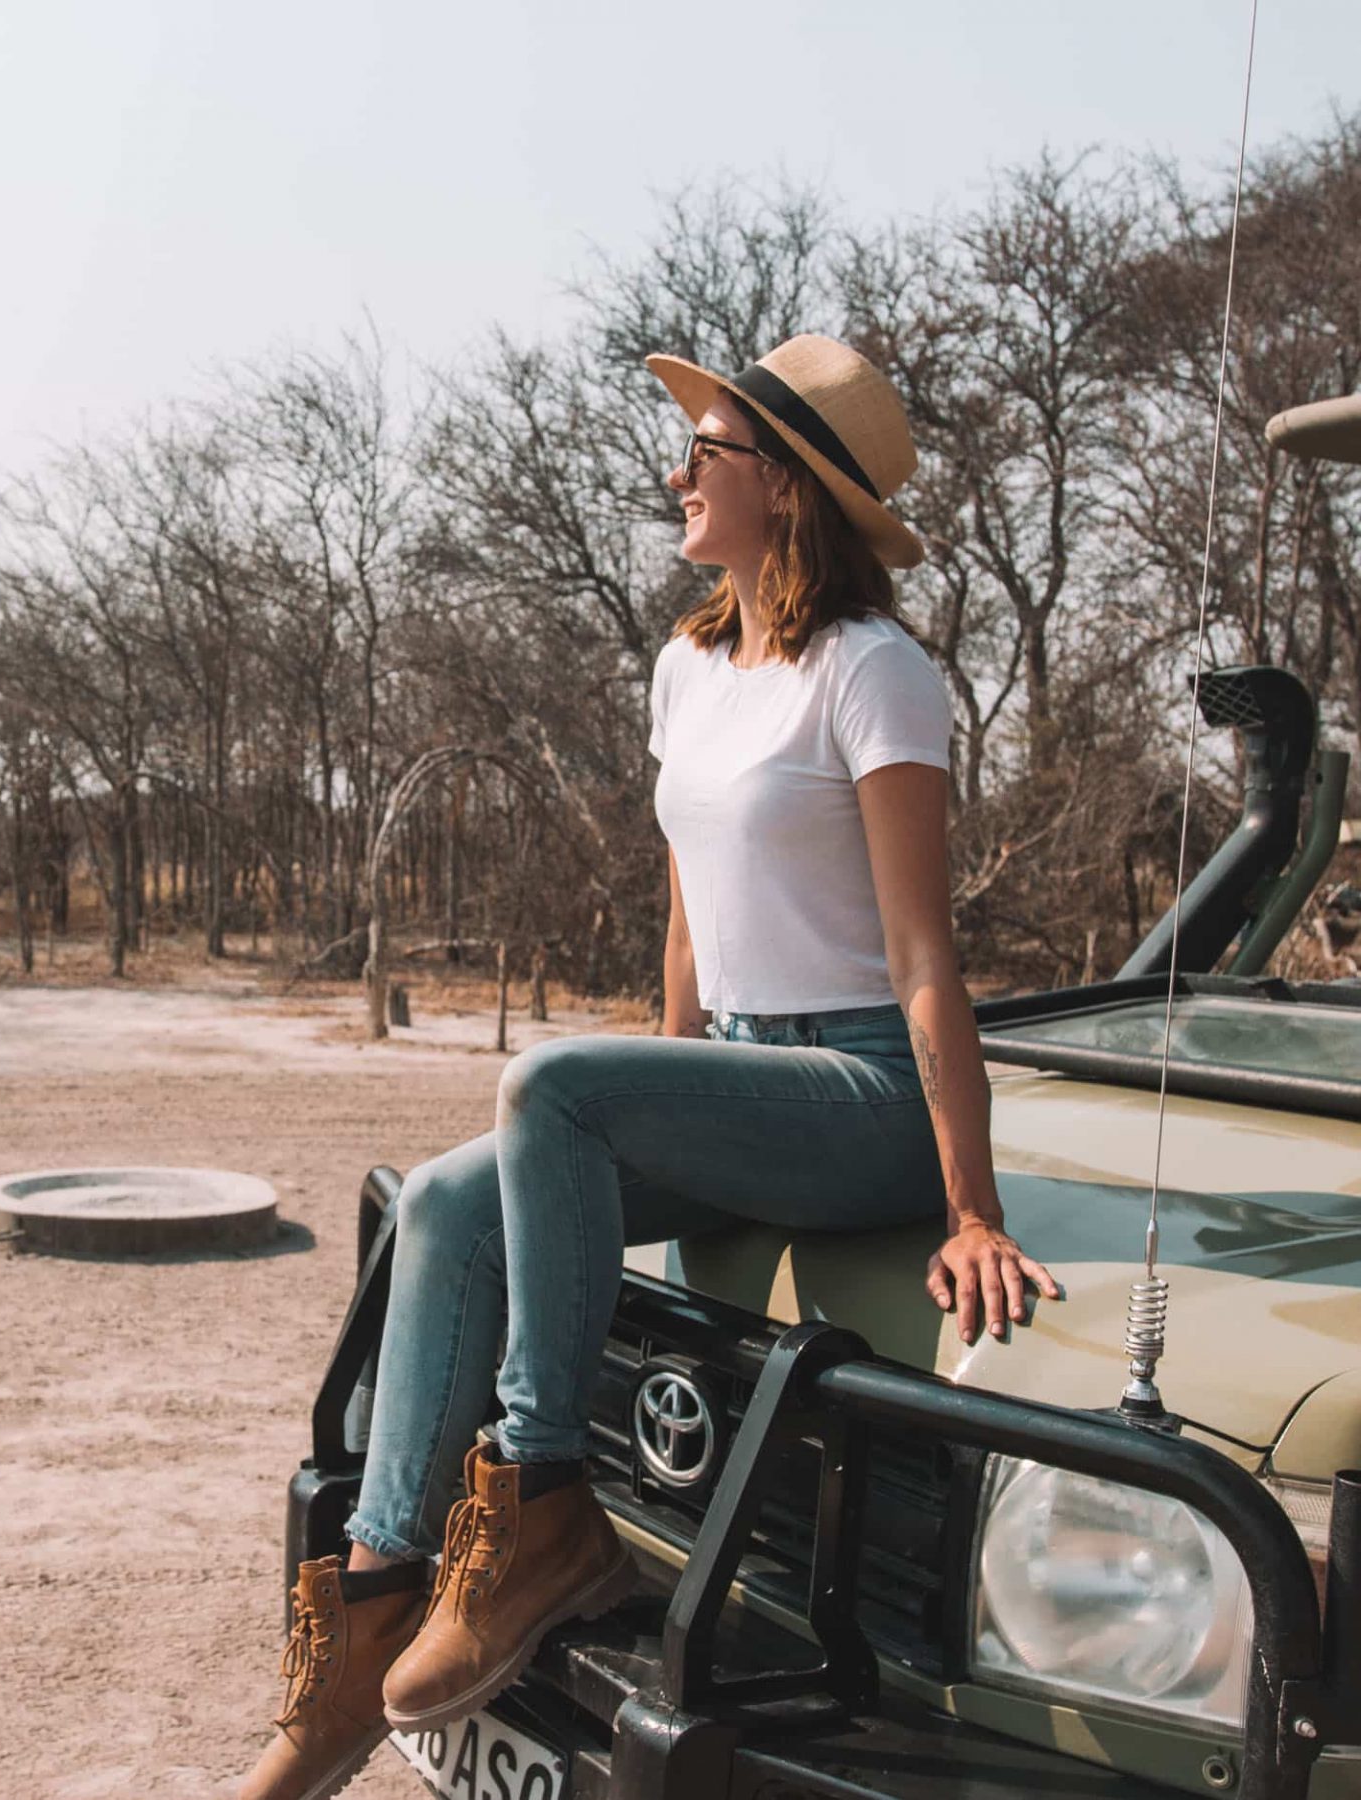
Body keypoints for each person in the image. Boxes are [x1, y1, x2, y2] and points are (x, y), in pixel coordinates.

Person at [238, 333, 1059, 1800]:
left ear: (789, 490)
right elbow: (690, 921)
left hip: (862, 1094)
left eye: (708, 450)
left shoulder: (876, 675)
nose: (674, 473)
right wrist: (666, 1105)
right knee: (440, 1200)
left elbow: (927, 961)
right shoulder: (689, 667)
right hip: (746, 1077)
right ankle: (365, 1621)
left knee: (554, 1082)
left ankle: (542, 1506)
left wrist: (972, 1204)